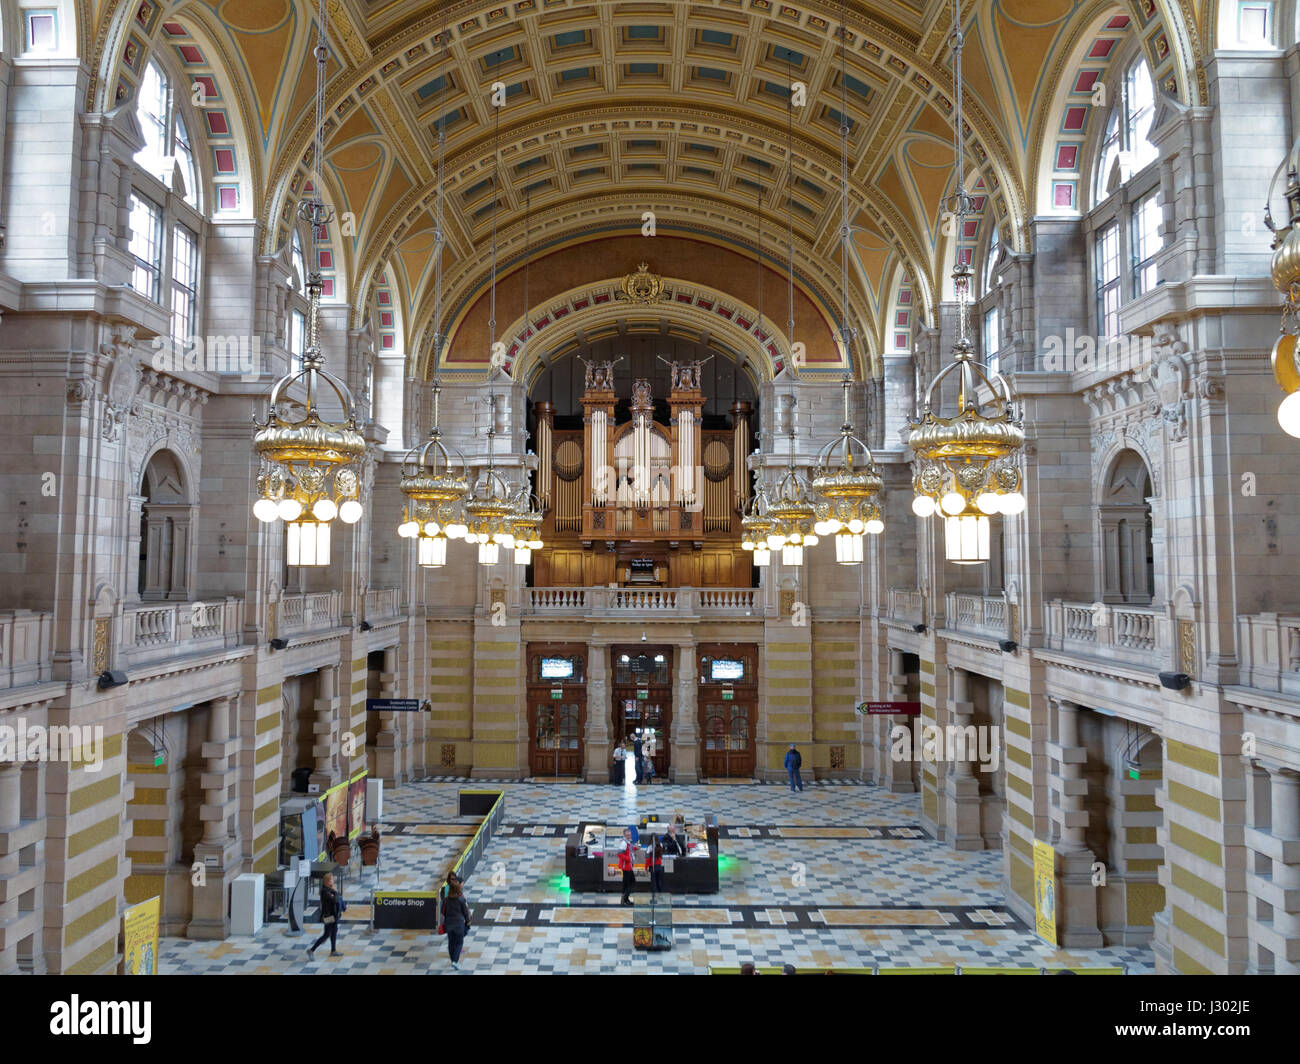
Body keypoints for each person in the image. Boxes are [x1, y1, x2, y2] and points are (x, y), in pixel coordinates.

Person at [307, 872, 342, 959]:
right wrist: (336, 892)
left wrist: (334, 893)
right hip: (329, 917)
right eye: (332, 880)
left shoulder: (329, 890)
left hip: (333, 915)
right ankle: (311, 950)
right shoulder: (325, 891)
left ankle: (333, 951)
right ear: (327, 881)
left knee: (334, 932)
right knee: (326, 934)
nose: (333, 881)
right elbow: (335, 900)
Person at [443, 879, 472, 970]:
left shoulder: (446, 900)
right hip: (459, 924)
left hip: (448, 924)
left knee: (451, 942)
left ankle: (453, 960)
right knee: (459, 942)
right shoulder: (461, 899)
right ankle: (455, 961)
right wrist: (468, 922)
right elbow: (465, 913)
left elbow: (443, 911)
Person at [618, 827, 639, 905]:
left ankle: (625, 899)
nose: (629, 836)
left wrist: (635, 848)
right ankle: (624, 899)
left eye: (629, 834)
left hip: (628, 866)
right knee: (631, 883)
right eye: (627, 835)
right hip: (626, 866)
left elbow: (629, 850)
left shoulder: (628, 842)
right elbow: (619, 854)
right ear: (624, 835)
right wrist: (628, 859)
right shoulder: (624, 843)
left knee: (627, 883)